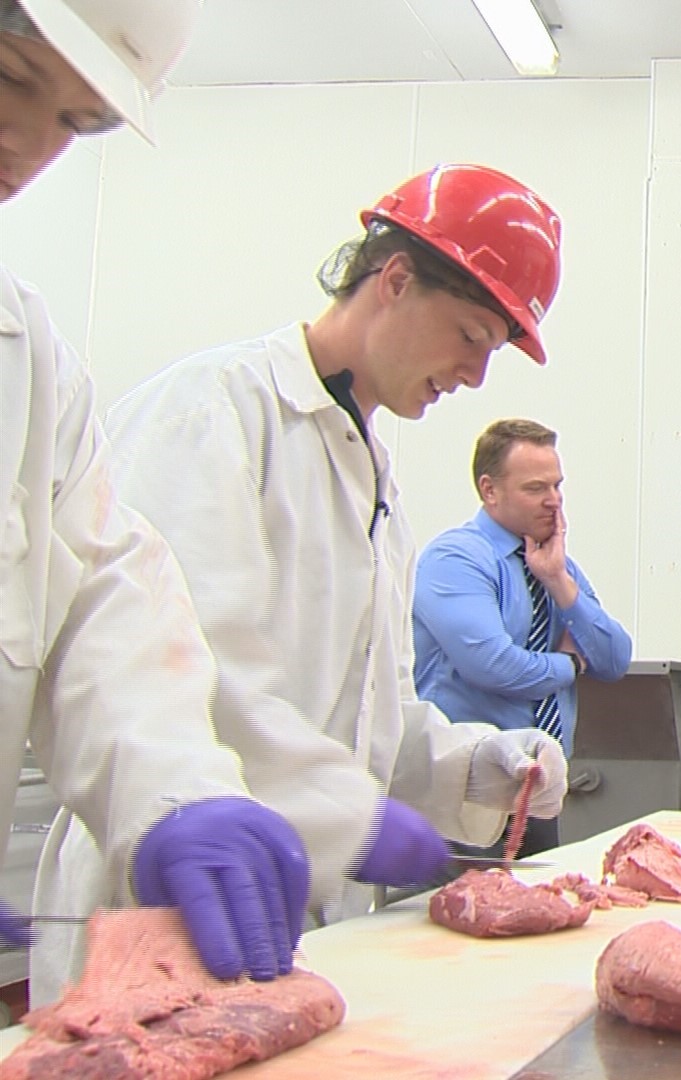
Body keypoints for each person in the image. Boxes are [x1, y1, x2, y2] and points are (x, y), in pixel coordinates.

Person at [33, 162, 573, 999]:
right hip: (163, 909)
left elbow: (366, 720)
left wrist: (475, 766)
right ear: (394, 280)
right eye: (472, 336)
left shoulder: (372, 479)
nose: (475, 377)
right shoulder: (214, 416)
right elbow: (173, 678)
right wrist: (346, 817)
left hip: (297, 926)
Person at [0, 0, 311, 989]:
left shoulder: (28, 358)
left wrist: (180, 792)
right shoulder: (212, 405)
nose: (32, 147)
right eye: (13, 80)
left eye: (78, 124)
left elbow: (102, 595)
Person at [413, 418, 634, 856]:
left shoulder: (551, 563)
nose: (553, 501)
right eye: (536, 488)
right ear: (489, 490)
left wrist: (559, 584)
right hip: (467, 797)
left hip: (536, 796)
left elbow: (614, 658)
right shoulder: (455, 558)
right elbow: (495, 666)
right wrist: (568, 665)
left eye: (557, 486)